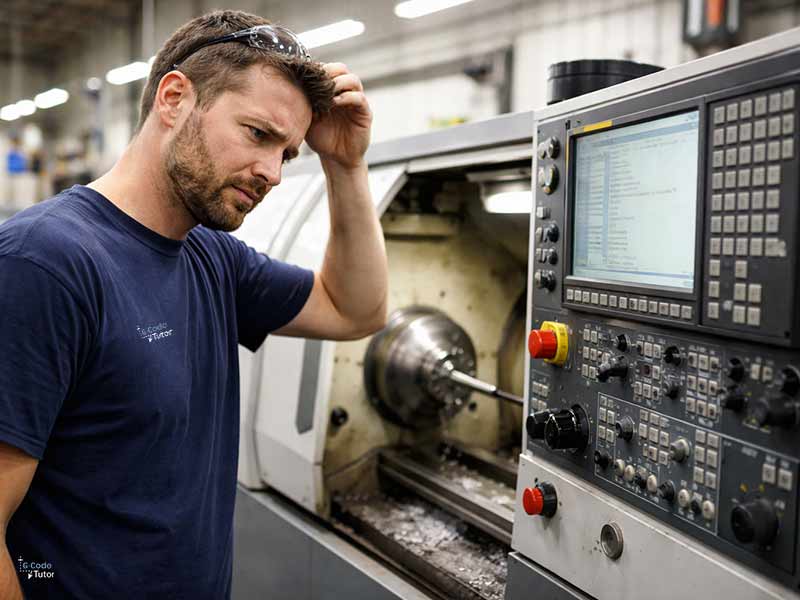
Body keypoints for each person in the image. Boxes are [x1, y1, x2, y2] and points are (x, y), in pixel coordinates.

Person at [0, 9, 387, 599]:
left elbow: (354, 308)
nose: (272, 174)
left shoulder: (212, 258)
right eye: (258, 134)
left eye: (287, 154)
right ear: (175, 99)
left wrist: (346, 165)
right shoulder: (45, 264)